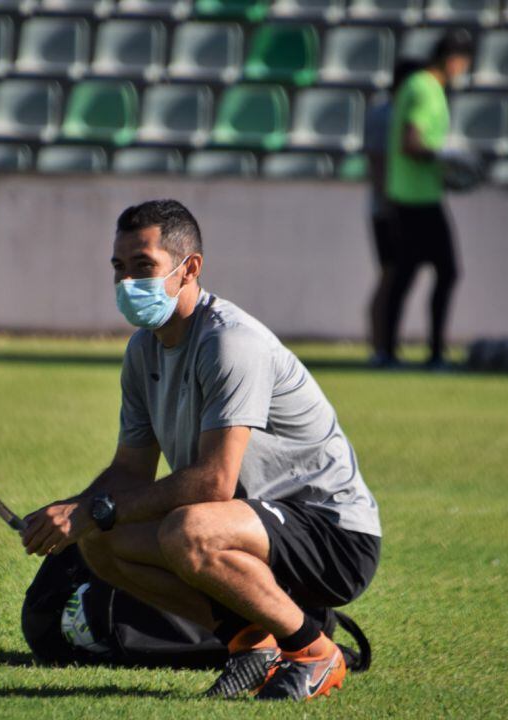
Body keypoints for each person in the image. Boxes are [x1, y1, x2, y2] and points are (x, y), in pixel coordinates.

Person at [21, 200, 381, 701]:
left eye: (143, 266)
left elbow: (213, 482)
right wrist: (72, 513)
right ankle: (251, 645)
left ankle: (315, 653)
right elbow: (130, 470)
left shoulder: (231, 343)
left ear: (189, 268)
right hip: (249, 524)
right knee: (101, 542)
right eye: (119, 269)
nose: (127, 284)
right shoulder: (143, 350)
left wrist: (96, 510)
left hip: (334, 534)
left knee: (187, 529)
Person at [382, 29, 475, 370]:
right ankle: (434, 352)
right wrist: (445, 158)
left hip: (406, 194)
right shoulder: (427, 88)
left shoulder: (415, 84)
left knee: (405, 274)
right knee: (447, 272)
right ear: (453, 59)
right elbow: (412, 141)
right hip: (419, 198)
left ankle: (387, 351)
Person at [365, 60, 420, 368]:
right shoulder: (385, 114)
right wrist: (388, 203)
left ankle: (385, 346)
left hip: (393, 206)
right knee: (389, 277)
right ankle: (380, 346)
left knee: (395, 276)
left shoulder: (394, 113)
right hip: (387, 209)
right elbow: (377, 159)